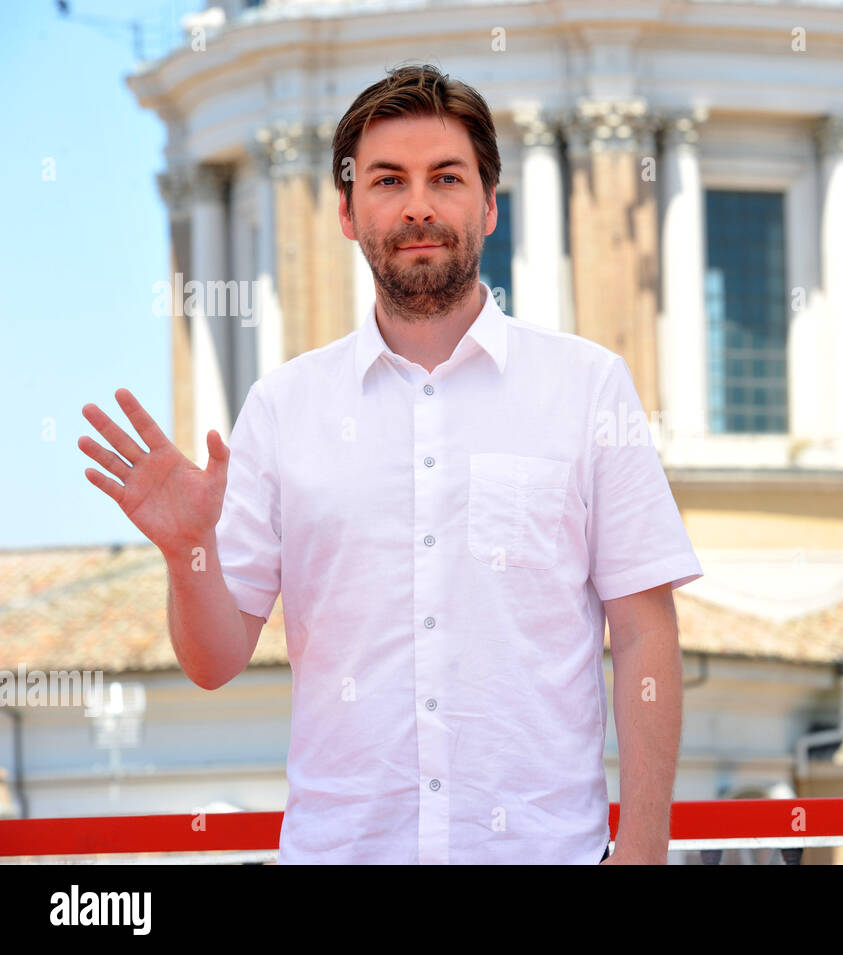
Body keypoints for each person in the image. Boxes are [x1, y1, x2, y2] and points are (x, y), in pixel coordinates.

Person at [78, 63, 702, 865]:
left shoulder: (588, 387)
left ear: (489, 203)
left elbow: (646, 632)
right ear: (346, 210)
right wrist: (186, 550)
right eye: (387, 181)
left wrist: (645, 847)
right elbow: (213, 661)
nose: (418, 205)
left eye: (446, 177)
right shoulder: (282, 406)